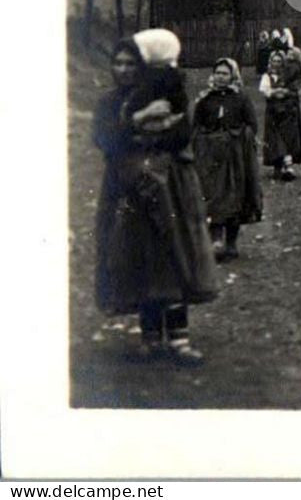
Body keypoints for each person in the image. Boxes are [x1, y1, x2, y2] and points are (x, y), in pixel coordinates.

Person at [92, 32, 219, 366]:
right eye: (118, 63)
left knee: (171, 255)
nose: (123, 69)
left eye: (130, 63)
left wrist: (145, 136)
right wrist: (136, 121)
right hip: (126, 191)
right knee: (140, 260)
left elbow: (181, 135)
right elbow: (105, 139)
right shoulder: (110, 103)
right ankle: (150, 338)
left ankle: (179, 340)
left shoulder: (164, 94)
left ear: (142, 66)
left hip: (168, 190)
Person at [192, 58, 263, 261]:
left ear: (232, 76)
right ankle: (216, 240)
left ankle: (231, 242)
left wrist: (237, 137)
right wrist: (205, 140)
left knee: (235, 196)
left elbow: (252, 125)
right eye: (218, 73)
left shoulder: (240, 98)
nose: (220, 77)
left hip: (235, 157)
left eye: (225, 73)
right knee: (212, 195)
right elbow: (196, 126)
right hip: (210, 157)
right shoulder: (205, 99)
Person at [260, 49, 301, 181]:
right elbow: (266, 91)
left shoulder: (289, 75)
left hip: (288, 111)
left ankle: (288, 166)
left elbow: (297, 89)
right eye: (274, 61)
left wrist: (286, 92)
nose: (276, 64)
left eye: (279, 61)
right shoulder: (267, 76)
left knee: (289, 138)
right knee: (274, 138)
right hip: (273, 111)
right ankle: (277, 165)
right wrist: (275, 92)